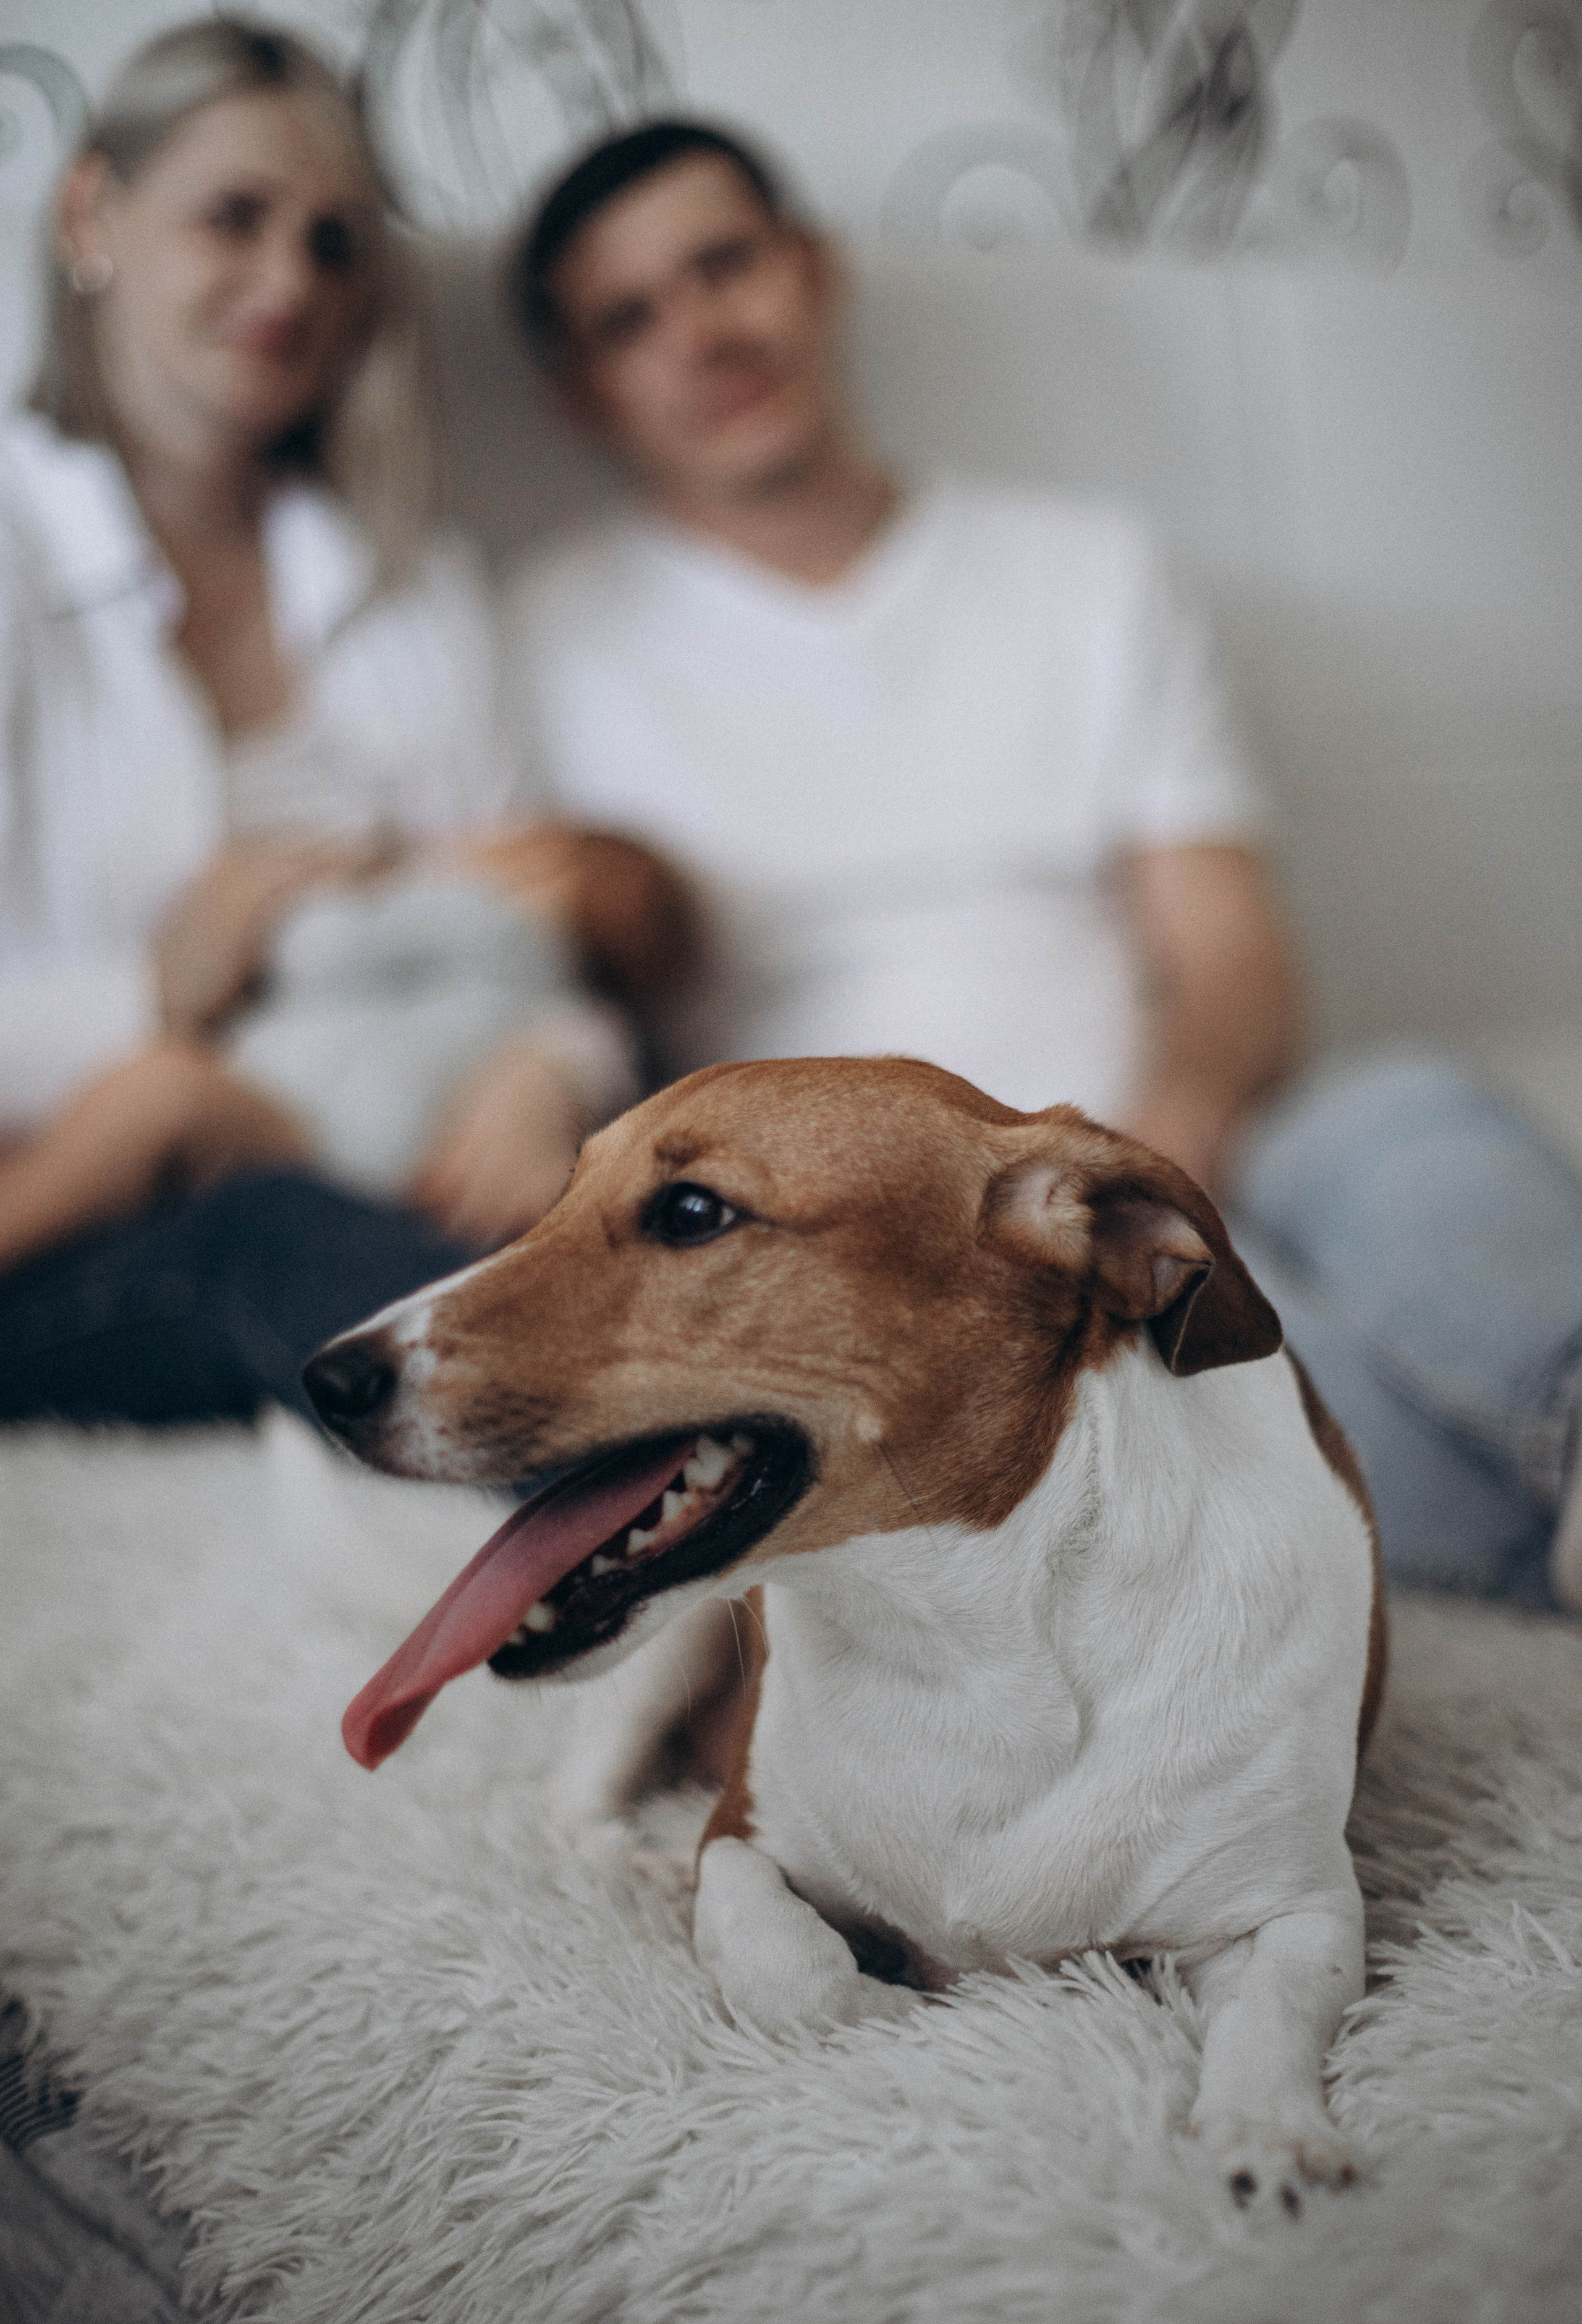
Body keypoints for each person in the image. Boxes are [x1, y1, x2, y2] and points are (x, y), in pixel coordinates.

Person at [501, 118, 1582, 1610]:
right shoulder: (540, 645)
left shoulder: (1082, 570)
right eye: (630, 318)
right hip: (907, 1264)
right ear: (580, 389)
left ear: (806, 271)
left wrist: (1164, 1148)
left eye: (722, 265)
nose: (699, 332)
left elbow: (1230, 951)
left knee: (1404, 1116)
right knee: (1308, 1422)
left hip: (1180, 1146)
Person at [0, 20, 685, 1427]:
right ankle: (621, 1436)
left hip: (398, 1155)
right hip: (98, 1209)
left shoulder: (415, 588)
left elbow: (531, 929)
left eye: (333, 241)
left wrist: (542, 1072)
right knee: (271, 1233)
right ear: (91, 214)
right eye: (233, 218)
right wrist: (163, 1007)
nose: (287, 282)